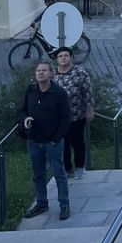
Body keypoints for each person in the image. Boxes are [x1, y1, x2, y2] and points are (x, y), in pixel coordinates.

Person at [19, 60, 72, 220]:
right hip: (34, 141)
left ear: (51, 73)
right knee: (38, 174)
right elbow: (22, 110)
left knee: (58, 174)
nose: (40, 73)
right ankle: (41, 203)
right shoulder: (31, 91)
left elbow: (66, 118)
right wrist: (25, 119)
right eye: (38, 71)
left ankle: (64, 205)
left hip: (52, 142)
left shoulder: (59, 93)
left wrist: (56, 138)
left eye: (44, 70)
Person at [54, 48, 94, 180]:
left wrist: (89, 108)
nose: (63, 58)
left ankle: (79, 167)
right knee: (62, 144)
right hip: (59, 117)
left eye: (66, 55)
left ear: (71, 57)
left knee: (77, 143)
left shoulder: (80, 72)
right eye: (60, 56)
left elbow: (87, 91)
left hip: (77, 114)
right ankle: (66, 168)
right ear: (57, 59)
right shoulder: (53, 74)